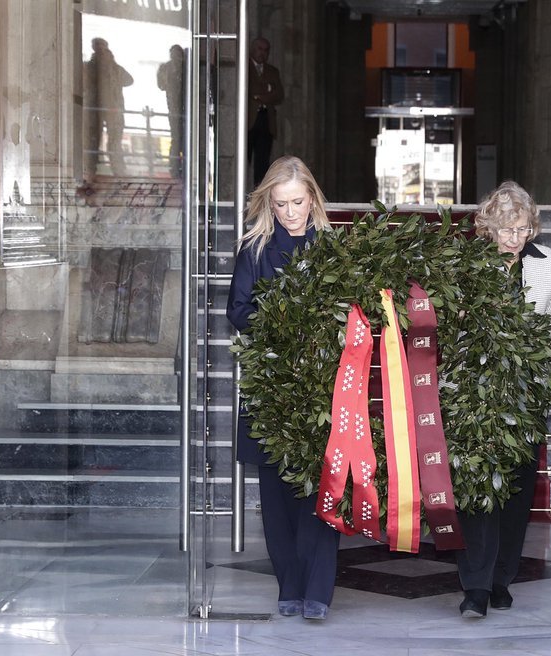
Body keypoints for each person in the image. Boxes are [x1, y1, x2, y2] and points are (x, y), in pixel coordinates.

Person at [456, 180, 551, 618]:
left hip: (526, 391)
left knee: (515, 488)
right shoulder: (467, 262)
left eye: (523, 229)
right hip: (474, 392)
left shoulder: (545, 262)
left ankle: (500, 579)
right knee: (475, 487)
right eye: (506, 229)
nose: (514, 238)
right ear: (488, 227)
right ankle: (474, 585)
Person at [226, 155, 338, 620]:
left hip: (323, 388)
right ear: (268, 203)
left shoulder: (334, 249)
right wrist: (286, 328)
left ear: (312, 198)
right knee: (275, 496)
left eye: (297, 202)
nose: (291, 212)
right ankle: (288, 585)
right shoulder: (253, 249)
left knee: (321, 490)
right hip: (270, 384)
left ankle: (318, 589)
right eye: (281, 204)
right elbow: (238, 311)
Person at [83, 38, 133, 179]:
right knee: (96, 140)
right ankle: (107, 169)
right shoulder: (94, 66)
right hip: (99, 109)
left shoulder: (111, 68)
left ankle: (111, 169)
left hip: (107, 109)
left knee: (107, 141)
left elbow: (129, 80)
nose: (102, 51)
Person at [247, 37, 284, 186]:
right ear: (252, 49)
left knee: (263, 162)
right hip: (248, 120)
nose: (262, 53)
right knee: (245, 157)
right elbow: (250, 89)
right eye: (259, 49)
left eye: (266, 50)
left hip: (266, 120)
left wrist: (259, 95)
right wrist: (268, 89)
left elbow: (279, 95)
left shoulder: (273, 71)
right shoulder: (245, 67)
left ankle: (259, 193)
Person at [156, 44, 186, 178]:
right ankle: (174, 169)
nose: (176, 57)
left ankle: (184, 167)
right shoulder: (166, 68)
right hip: (174, 108)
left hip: (186, 108)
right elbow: (161, 85)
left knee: (184, 139)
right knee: (176, 138)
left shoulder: (186, 67)